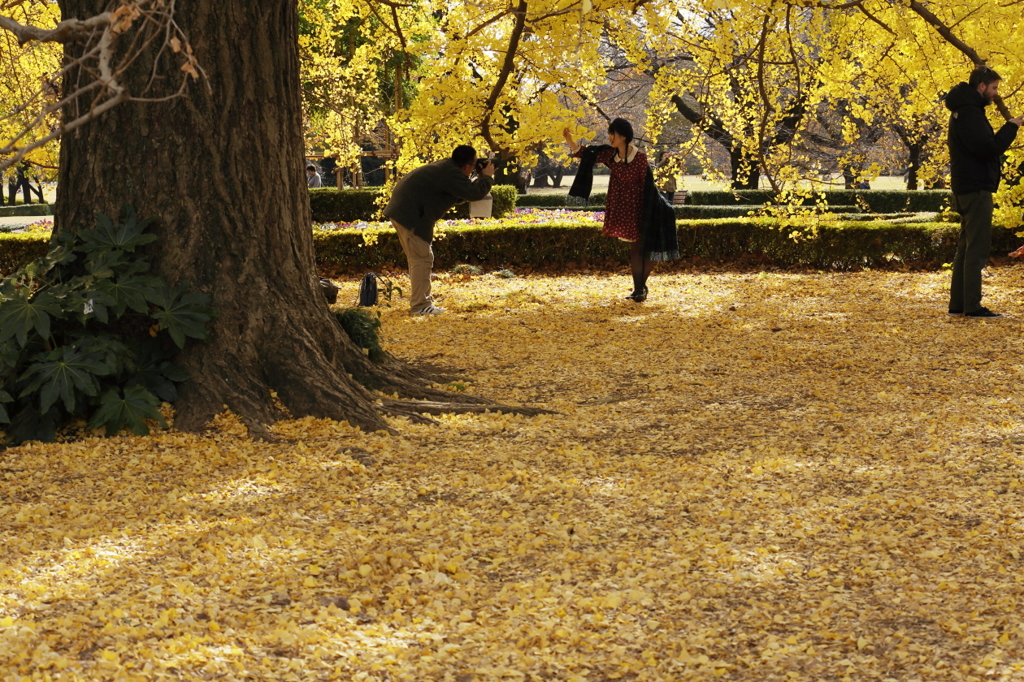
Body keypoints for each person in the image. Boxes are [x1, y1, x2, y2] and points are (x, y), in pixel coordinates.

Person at [563, 118, 678, 302]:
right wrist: (569, 139)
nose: (609, 137)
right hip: (624, 208)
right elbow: (585, 153)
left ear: (623, 136)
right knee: (635, 249)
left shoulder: (639, 157)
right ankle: (639, 289)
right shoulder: (610, 154)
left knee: (650, 248)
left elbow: (648, 185)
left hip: (643, 207)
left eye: (612, 133)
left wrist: (652, 208)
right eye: (609, 133)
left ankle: (640, 287)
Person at [944, 66, 1022, 318]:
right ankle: (972, 307)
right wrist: (1011, 126)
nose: (995, 94)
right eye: (994, 88)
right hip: (975, 188)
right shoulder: (970, 114)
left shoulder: (964, 111)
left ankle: (959, 305)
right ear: (981, 87)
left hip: (965, 186)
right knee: (976, 249)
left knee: (966, 248)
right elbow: (988, 149)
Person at [383, 145, 494, 315]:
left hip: (403, 212)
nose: (475, 167)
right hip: (412, 216)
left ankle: (421, 303)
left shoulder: (446, 168)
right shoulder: (449, 173)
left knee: (419, 258)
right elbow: (474, 193)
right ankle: (420, 306)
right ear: (466, 166)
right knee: (421, 259)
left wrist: (479, 177)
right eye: (474, 164)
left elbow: (457, 193)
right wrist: (486, 178)